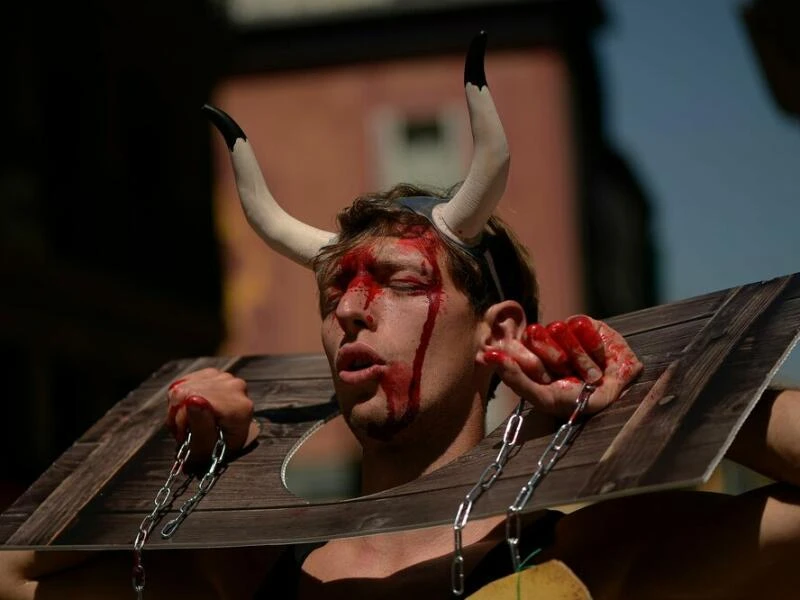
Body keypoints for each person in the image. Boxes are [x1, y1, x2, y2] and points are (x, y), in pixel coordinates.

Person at [2, 33, 800, 600]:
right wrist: (177, 458)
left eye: (398, 282)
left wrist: (656, 393)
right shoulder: (240, 577)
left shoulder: (601, 556)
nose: (350, 309)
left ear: (501, 333)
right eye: (334, 293)